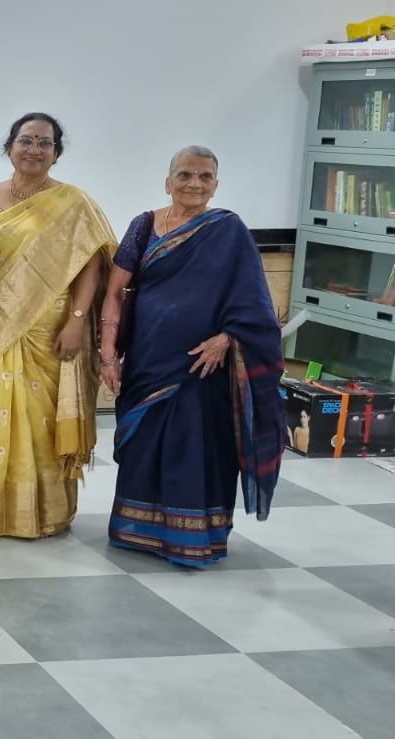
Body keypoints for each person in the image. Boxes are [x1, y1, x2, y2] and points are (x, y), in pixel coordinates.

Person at [98, 146, 286, 567]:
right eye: (185, 175)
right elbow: (113, 293)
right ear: (168, 182)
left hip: (205, 369)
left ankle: (195, 536)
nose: (194, 184)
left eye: (205, 176)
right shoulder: (143, 227)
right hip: (149, 360)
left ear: (216, 184)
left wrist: (227, 338)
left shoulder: (229, 231)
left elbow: (255, 306)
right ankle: (137, 532)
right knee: (145, 444)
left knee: (199, 447)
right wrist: (108, 354)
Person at [0, 113, 116, 539]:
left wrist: (77, 321)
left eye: (45, 143)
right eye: (26, 140)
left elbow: (88, 267)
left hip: (48, 326)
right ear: (9, 147)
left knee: (38, 420)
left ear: (56, 153)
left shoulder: (74, 203)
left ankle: (40, 512)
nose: (34, 149)